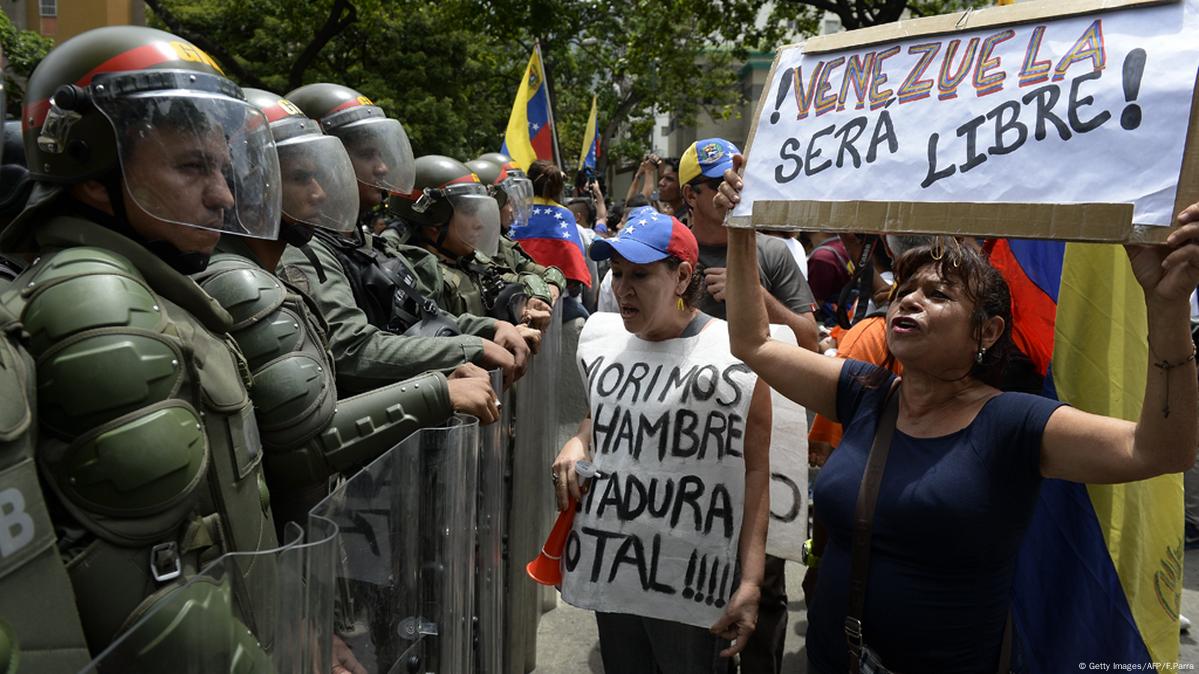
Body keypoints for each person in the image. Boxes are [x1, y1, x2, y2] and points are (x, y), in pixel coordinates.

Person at [717, 158, 1199, 673]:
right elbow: (752, 341)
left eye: (938, 294)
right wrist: (741, 228)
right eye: (904, 292)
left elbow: (1162, 449)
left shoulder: (1013, 424)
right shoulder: (864, 393)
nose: (909, 303)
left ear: (987, 332)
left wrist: (1166, 305)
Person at [0, 26, 284, 659]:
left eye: (222, 165)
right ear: (93, 173)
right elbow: (147, 599)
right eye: (192, 165)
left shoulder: (158, 288)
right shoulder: (99, 305)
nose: (224, 194)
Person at [195, 89, 499, 530]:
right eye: (301, 178)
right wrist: (440, 387)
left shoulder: (302, 256)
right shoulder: (247, 277)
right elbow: (301, 440)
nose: (319, 193)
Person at [551, 209, 771, 673]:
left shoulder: (736, 357)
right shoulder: (604, 341)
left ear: (682, 276)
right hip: (614, 574)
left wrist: (751, 579)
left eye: (641, 274)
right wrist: (579, 440)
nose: (622, 288)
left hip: (689, 587)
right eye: (616, 272)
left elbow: (755, 471)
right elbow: (604, 413)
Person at [278, 84, 530, 392]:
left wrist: (489, 328)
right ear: (318, 155)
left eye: (381, 154)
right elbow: (350, 350)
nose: (382, 167)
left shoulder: (364, 244)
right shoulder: (303, 250)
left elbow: (426, 315)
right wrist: (470, 348)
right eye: (367, 154)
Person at [677, 137, 818, 673]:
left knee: (768, 585)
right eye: (718, 184)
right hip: (690, 446)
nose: (733, 192)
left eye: (739, 179)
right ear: (691, 194)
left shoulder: (774, 252)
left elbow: (809, 338)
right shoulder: (667, 253)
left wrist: (754, 297)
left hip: (768, 438)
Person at [389, 154, 551, 340]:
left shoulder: (470, 263)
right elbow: (437, 335)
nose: (480, 223)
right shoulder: (417, 277)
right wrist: (497, 333)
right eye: (468, 211)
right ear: (434, 221)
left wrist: (528, 304)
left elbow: (512, 278)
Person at [465, 152, 565, 326]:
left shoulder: (503, 243)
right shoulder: (466, 247)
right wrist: (534, 285)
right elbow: (500, 279)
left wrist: (552, 286)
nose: (513, 209)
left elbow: (551, 272)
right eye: (509, 201)